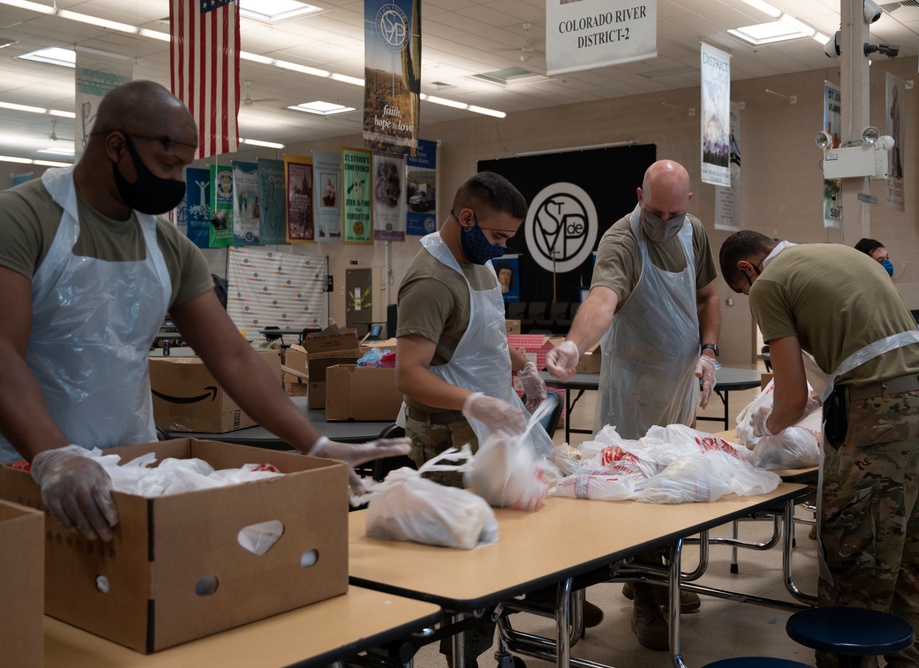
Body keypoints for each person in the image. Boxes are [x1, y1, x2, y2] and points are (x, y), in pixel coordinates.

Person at [0, 80, 410, 543]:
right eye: (167, 163)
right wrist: (53, 456)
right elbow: (2, 350)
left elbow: (233, 358)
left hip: (130, 468)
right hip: (23, 464)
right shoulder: (20, 220)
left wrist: (313, 442)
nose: (177, 180)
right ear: (116, 146)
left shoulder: (170, 249)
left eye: (184, 166)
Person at [718, 230, 919, 668]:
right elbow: (858, 349)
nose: (750, 294)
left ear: (747, 269)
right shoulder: (842, 257)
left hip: (881, 415)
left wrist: (764, 431)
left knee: (860, 553)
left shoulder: (770, 285)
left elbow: (789, 399)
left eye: (743, 290)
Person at [395, 172, 580, 667]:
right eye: (497, 236)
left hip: (488, 422)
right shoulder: (430, 281)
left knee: (503, 540)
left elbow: (487, 335)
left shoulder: (476, 262)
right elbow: (409, 375)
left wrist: (525, 369)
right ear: (467, 217)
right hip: (448, 437)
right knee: (470, 553)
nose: (500, 247)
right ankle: (466, 656)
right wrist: (474, 402)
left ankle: (497, 629)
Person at [546, 159, 721, 650]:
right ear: (638, 195)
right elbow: (603, 299)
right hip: (633, 386)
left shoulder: (695, 232)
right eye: (655, 211)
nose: (663, 223)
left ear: (688, 205)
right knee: (637, 489)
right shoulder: (622, 239)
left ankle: (657, 576)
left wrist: (708, 352)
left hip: (681, 382)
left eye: (674, 214)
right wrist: (574, 347)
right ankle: (645, 596)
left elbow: (708, 296)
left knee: (675, 482)